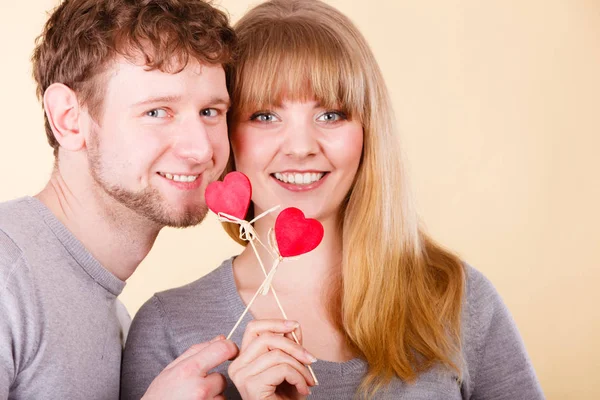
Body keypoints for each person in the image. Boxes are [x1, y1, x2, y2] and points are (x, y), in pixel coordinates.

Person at [121, 0, 545, 398]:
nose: (302, 146)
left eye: (331, 115)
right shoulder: (168, 329)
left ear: (368, 132)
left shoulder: (456, 300)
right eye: (265, 116)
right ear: (227, 133)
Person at [0, 0, 240, 398]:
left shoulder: (116, 321)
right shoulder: (7, 276)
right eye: (158, 112)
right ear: (68, 118)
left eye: (211, 111)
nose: (200, 150)